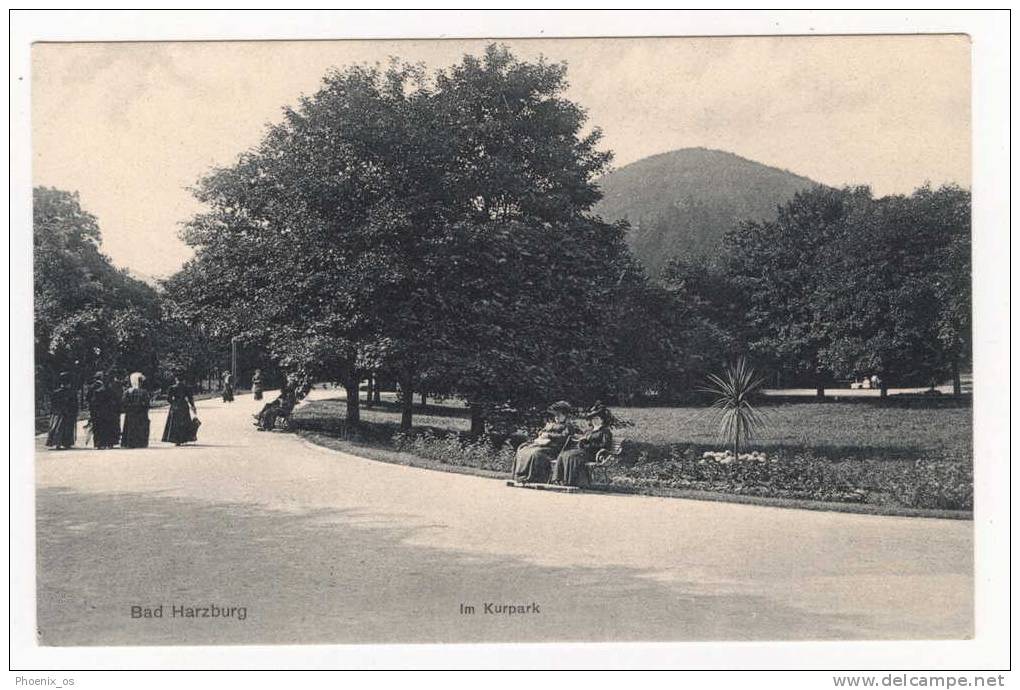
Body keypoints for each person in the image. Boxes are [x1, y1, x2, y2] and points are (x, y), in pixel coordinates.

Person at [552, 402, 615, 488]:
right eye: (593, 419)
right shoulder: (589, 430)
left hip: (594, 453)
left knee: (571, 456)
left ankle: (570, 481)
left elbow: (605, 445)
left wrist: (588, 444)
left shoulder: (605, 431)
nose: (595, 421)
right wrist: (580, 440)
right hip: (583, 451)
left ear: (602, 419)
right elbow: (582, 439)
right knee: (564, 454)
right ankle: (558, 479)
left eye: (597, 418)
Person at [512, 401, 577, 484]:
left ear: (564, 415)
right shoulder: (551, 424)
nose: (556, 417)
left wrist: (549, 435)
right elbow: (542, 431)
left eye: (559, 415)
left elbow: (564, 437)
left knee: (535, 453)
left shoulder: (568, 426)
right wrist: (542, 434)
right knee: (523, 450)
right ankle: (520, 475)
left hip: (554, 448)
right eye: (555, 415)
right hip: (543, 444)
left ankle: (531, 477)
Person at [86, 371, 120, 449]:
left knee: (97, 426)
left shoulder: (92, 387)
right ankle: (106, 442)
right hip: (106, 410)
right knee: (105, 426)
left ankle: (98, 443)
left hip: (95, 410)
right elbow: (113, 398)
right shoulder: (107, 387)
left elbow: (88, 398)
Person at [45, 371, 78, 450]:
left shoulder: (57, 392)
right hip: (66, 412)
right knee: (66, 428)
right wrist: (74, 411)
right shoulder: (71, 392)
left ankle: (58, 443)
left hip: (59, 412)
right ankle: (66, 443)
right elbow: (74, 404)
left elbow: (53, 403)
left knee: (58, 428)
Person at [162, 375, 197, 446]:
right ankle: (184, 438)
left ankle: (176, 439)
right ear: (183, 380)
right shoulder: (187, 388)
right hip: (184, 405)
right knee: (184, 422)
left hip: (175, 405)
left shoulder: (172, 388)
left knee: (175, 423)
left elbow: (168, 399)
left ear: (176, 379)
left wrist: (173, 403)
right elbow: (190, 398)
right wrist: (193, 407)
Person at [120, 372, 152, 448]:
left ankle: (129, 443)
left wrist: (128, 408)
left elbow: (124, 402)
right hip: (141, 413)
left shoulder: (127, 392)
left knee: (130, 427)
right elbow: (147, 403)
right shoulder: (144, 392)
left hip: (131, 413)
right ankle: (140, 442)